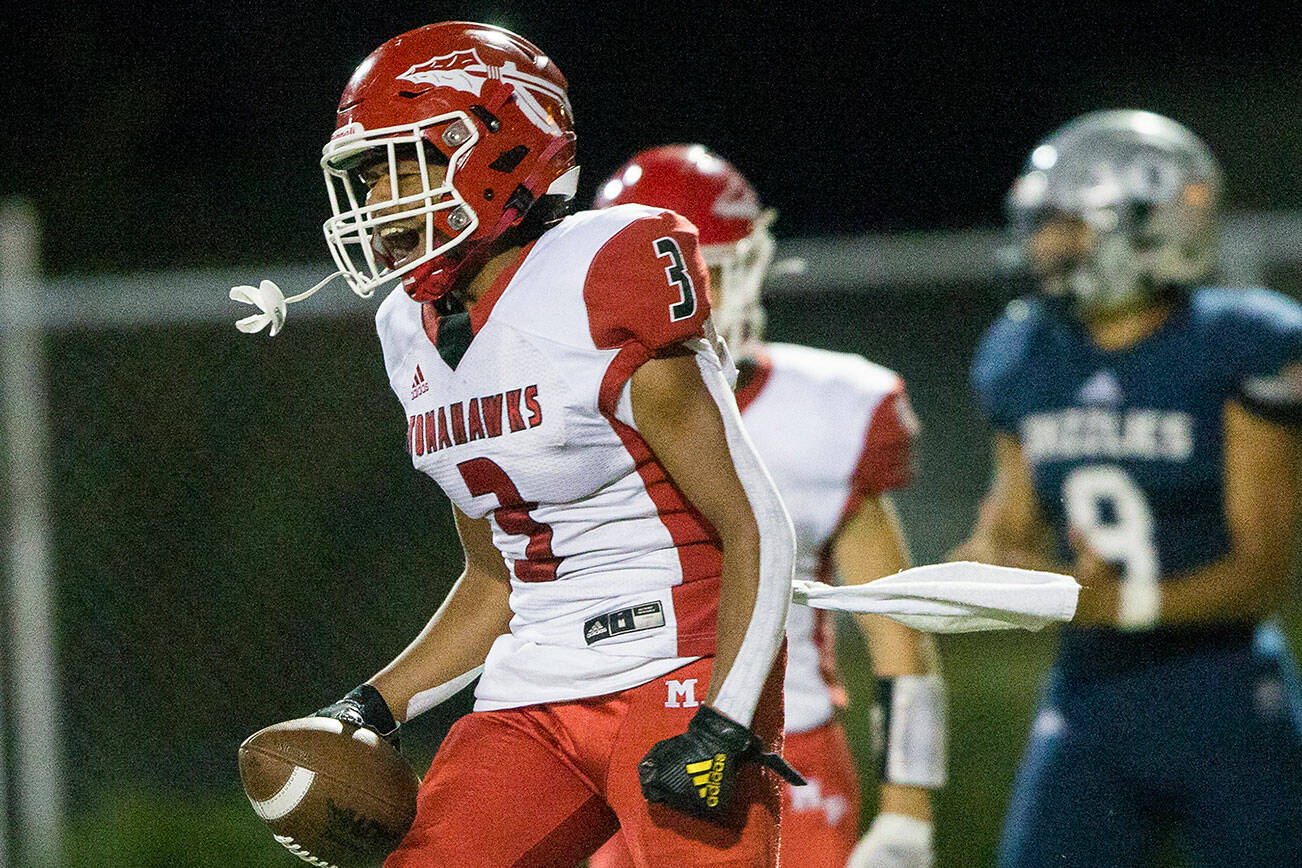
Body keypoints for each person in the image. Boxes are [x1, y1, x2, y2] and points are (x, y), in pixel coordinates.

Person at [239, 21, 806, 867]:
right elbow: (493, 577)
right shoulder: (408, 327)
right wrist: (370, 708)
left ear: (501, 149)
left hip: (678, 666)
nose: (384, 200)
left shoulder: (601, 273)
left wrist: (727, 717)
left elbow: (754, 524)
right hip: (535, 690)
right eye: (370, 176)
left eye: (408, 164)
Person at [952, 109, 1302, 867]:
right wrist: (977, 573)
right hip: (1089, 697)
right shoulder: (1024, 353)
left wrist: (1117, 603)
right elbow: (1009, 531)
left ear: (1148, 226)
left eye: (1067, 226)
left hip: (1225, 695)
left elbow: (1263, 572)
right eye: (1041, 226)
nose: (1044, 246)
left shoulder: (1239, 342)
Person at [588, 145, 946, 868]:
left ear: (750, 271)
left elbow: (898, 634)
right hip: (616, 742)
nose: (687, 307)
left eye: (706, 277)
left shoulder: (829, 412)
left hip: (781, 751)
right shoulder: (570, 416)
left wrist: (909, 810)